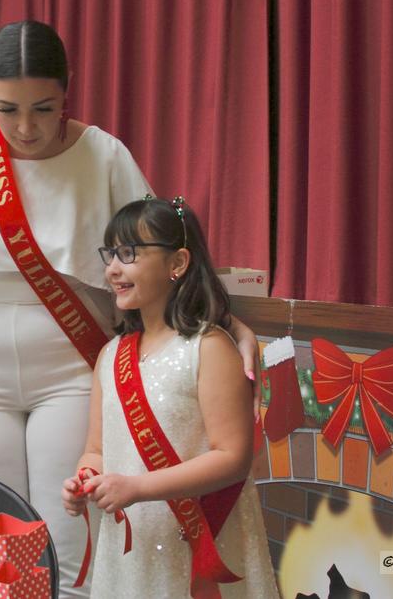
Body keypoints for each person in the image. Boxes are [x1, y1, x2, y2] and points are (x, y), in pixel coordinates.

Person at [0, 20, 260, 598]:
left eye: (44, 107)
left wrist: (230, 326)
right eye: (7, 109)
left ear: (67, 91)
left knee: (67, 539)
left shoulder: (103, 155)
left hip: (71, 374)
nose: (26, 127)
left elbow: (162, 252)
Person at [62, 197, 279, 598]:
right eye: (110, 253)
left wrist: (138, 487)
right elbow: (96, 449)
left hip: (196, 538)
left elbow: (232, 458)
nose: (112, 268)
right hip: (132, 546)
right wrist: (85, 480)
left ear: (177, 263)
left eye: (128, 253)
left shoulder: (209, 348)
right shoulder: (111, 356)